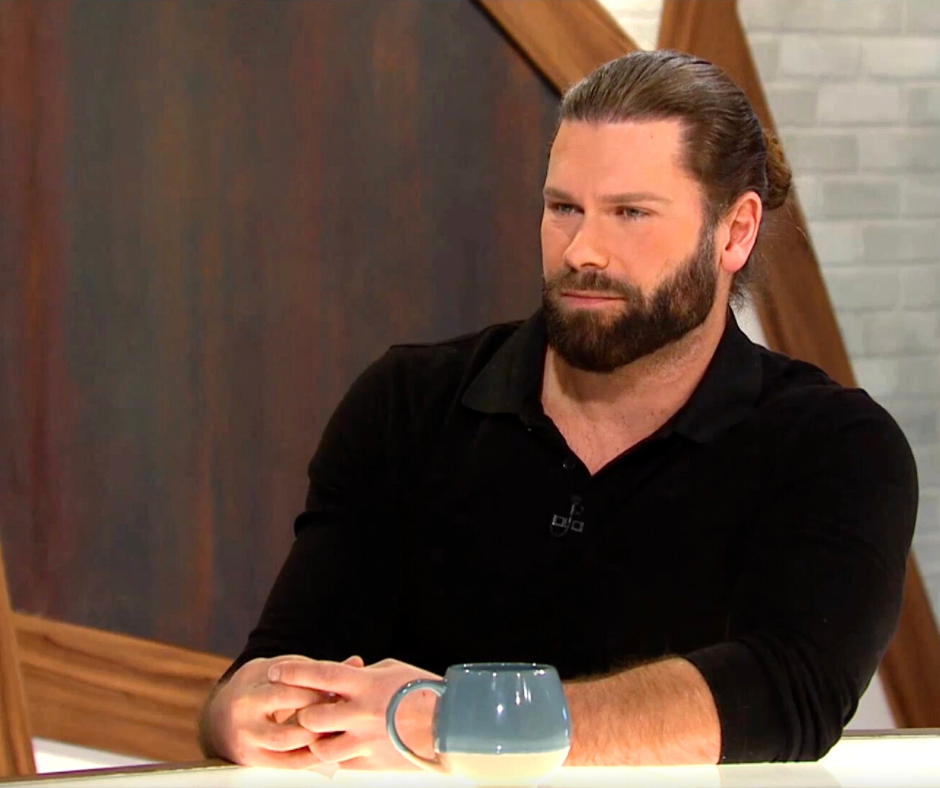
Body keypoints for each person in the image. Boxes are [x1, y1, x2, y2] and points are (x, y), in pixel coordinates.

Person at [199, 50, 917, 769]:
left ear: (735, 232)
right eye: (564, 208)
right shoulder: (407, 402)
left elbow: (787, 694)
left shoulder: (835, 446)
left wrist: (454, 719)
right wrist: (240, 712)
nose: (583, 250)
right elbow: (284, 662)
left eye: (630, 213)